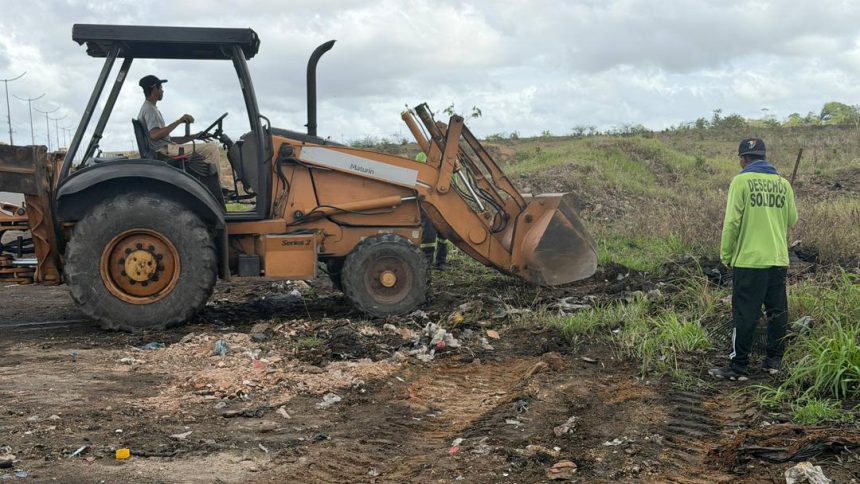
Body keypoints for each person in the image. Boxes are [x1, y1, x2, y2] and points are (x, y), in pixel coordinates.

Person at [709, 138, 798, 381]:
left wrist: (726, 254)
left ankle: (738, 368)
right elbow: (791, 220)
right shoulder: (783, 184)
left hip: (749, 261)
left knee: (745, 314)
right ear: (764, 156)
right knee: (777, 312)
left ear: (743, 159)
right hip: (778, 259)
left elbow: (732, 223)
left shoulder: (741, 181)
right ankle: (774, 362)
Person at [136, 75, 221, 176]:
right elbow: (154, 135)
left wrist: (195, 136)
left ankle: (205, 181)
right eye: (161, 88)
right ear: (154, 88)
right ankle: (217, 186)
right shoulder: (150, 110)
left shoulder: (149, 108)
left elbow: (168, 140)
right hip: (164, 151)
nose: (163, 91)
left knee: (209, 149)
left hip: (167, 148)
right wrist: (179, 121)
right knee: (211, 149)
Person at [415, 151, 449, 267]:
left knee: (443, 233)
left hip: (444, 199)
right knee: (428, 233)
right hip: (427, 199)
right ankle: (427, 262)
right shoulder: (421, 155)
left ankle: (441, 262)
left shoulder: (448, 156)